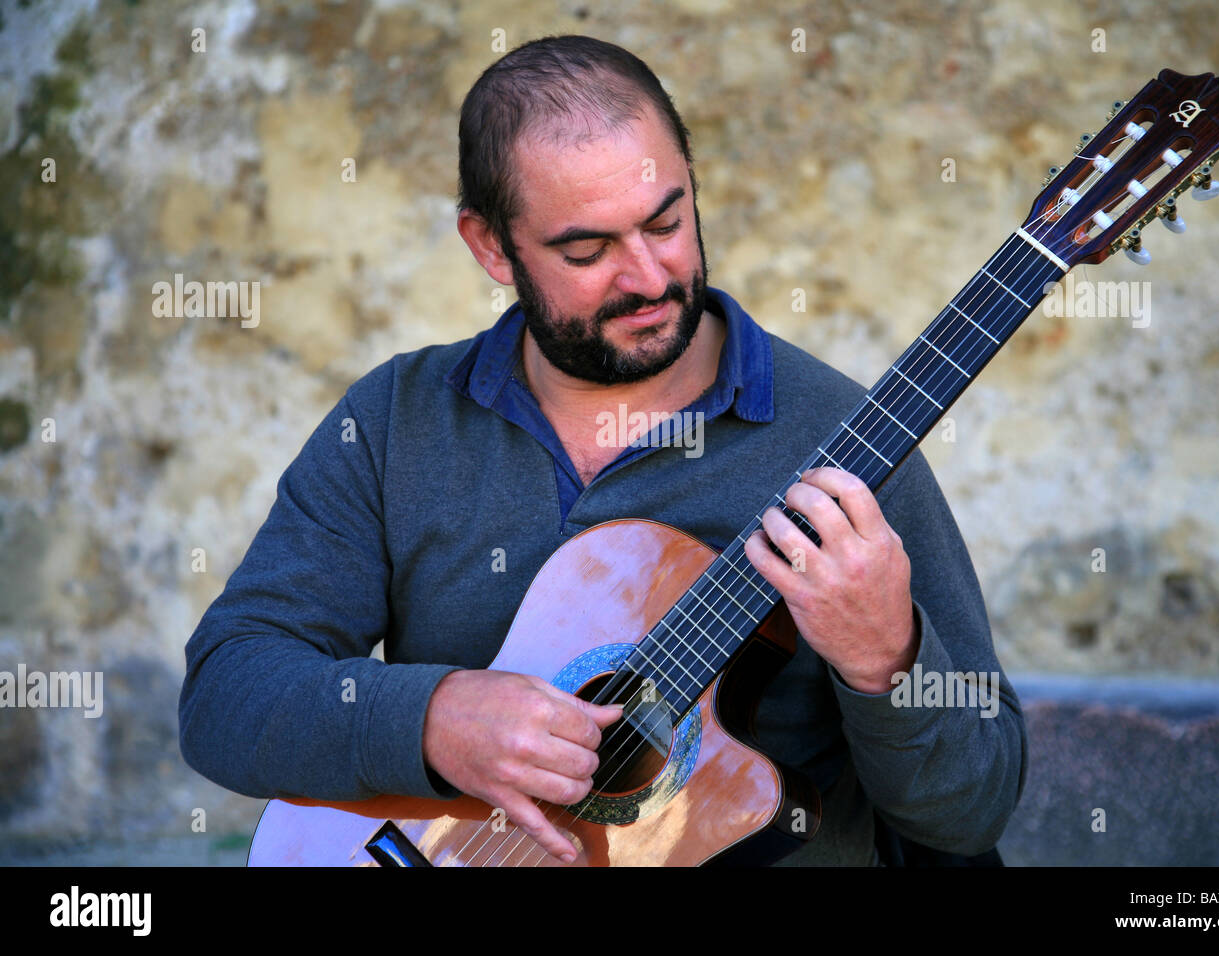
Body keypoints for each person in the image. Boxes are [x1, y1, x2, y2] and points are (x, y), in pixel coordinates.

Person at [179, 34, 1026, 866]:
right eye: (587, 250)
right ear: (489, 246)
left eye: (667, 222)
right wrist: (435, 718)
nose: (650, 278)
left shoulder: (847, 441)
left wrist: (887, 661)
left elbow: (972, 813)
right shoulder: (399, 422)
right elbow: (226, 695)